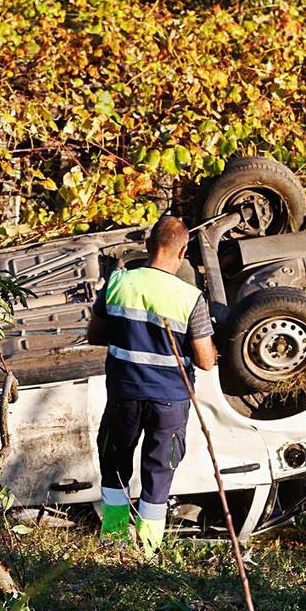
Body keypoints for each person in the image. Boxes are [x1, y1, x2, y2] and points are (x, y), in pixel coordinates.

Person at [87, 216, 216, 557]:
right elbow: (205, 360)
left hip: (124, 395)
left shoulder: (117, 282)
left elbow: (95, 334)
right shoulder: (191, 298)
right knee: (159, 473)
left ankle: (114, 540)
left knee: (114, 464)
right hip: (170, 403)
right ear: (183, 251)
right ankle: (146, 550)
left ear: (147, 246)